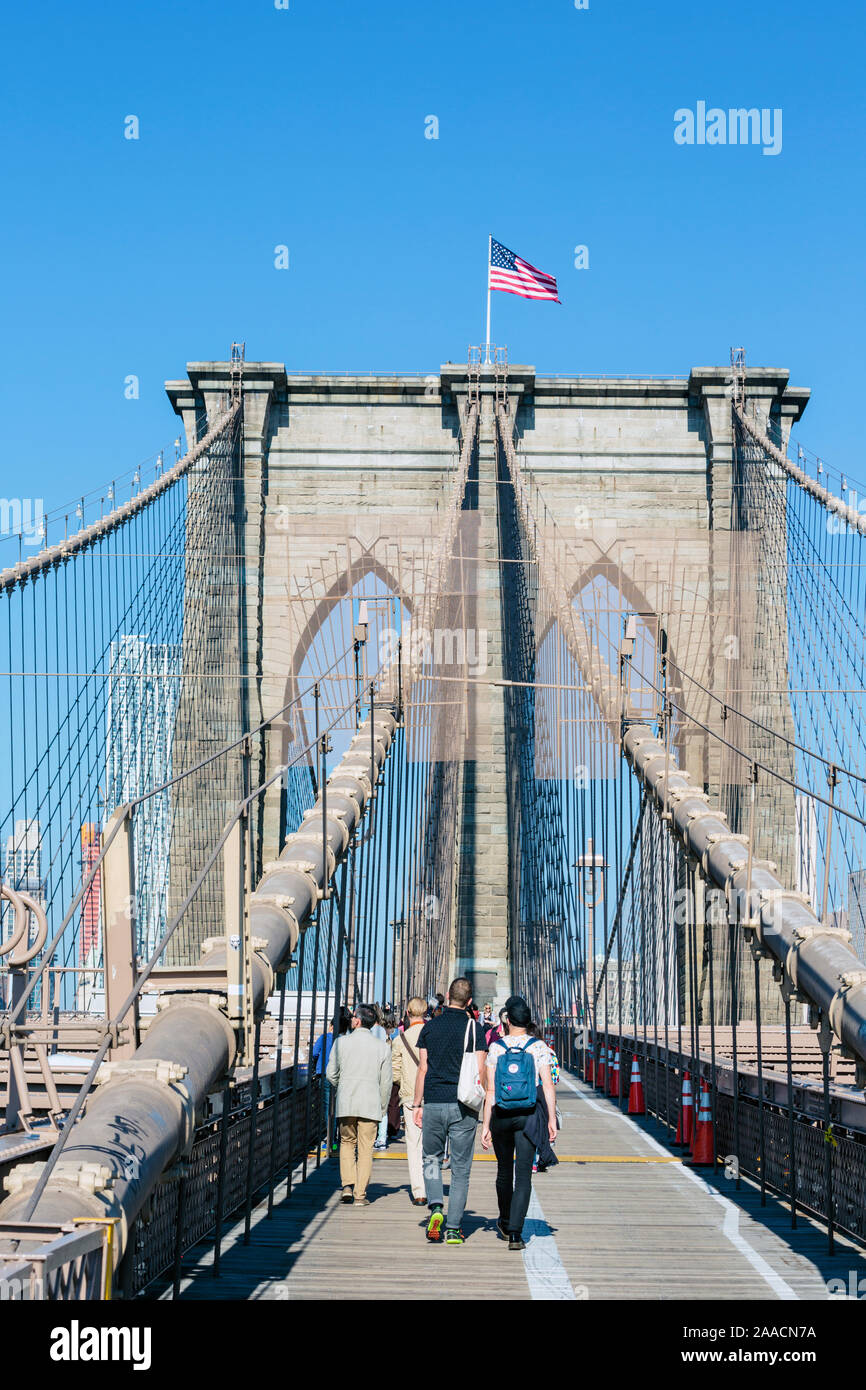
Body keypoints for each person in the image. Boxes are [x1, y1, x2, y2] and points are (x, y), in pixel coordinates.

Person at [412, 976, 487, 1246]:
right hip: (463, 1106)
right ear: (468, 1002)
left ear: (447, 995)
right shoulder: (475, 1028)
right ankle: (454, 1228)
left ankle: (435, 1207)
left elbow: (423, 1069)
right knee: (460, 1168)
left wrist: (417, 1104)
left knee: (431, 1160)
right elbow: (480, 1071)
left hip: (433, 1102)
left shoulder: (430, 1028)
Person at [481, 995, 556, 1251]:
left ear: (508, 1021)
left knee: (504, 1171)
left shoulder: (497, 1048)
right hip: (529, 1115)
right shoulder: (539, 1047)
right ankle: (515, 1233)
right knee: (523, 1175)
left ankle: (503, 1221)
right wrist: (552, 1120)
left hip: (501, 1115)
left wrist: (485, 1125)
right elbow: (547, 1085)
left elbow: (490, 1091)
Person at [326, 1003, 393, 1207]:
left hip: (347, 1102)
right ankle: (360, 1194)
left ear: (357, 1021)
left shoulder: (341, 1043)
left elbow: (330, 1074)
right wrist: (381, 1107)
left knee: (347, 1143)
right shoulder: (382, 1047)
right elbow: (386, 1082)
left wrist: (344, 1085)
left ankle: (347, 1185)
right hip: (370, 1104)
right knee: (365, 1149)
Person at [392, 996, 427, 1205]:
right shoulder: (434, 1034)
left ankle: (419, 1192)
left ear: (407, 1013)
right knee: (432, 1145)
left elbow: (395, 1073)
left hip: (410, 1097)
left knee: (414, 1144)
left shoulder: (400, 1040)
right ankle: (433, 1185)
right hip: (433, 1096)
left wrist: (406, 1079)